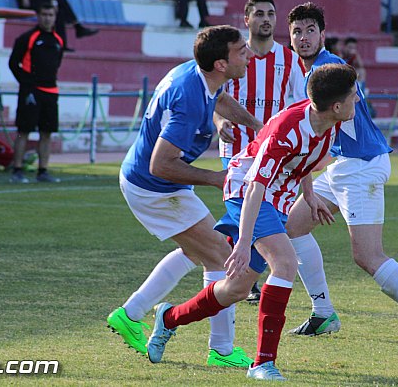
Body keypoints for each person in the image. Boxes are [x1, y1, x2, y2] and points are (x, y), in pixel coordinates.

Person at [145, 63, 359, 381]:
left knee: (235, 288)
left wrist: (310, 195)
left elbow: (304, 160)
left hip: (275, 198)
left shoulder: (329, 121)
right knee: (285, 263)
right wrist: (244, 242)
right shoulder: (288, 128)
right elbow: (255, 186)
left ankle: (170, 317)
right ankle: (262, 363)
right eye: (354, 96)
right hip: (247, 190)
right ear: (336, 105)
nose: (359, 100)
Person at [284, 2, 398, 344]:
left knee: (367, 255)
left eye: (310, 30)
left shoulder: (328, 69)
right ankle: (323, 313)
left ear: (323, 35)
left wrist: (301, 165)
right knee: (293, 227)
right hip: (344, 165)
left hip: (360, 165)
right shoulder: (312, 70)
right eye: (297, 32)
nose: (303, 37)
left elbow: (337, 120)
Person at [107, 25, 263, 368]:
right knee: (222, 254)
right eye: (241, 50)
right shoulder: (189, 99)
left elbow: (219, 98)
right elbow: (161, 164)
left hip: (149, 181)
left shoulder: (199, 75)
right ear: (221, 63)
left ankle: (130, 313)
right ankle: (221, 351)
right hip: (154, 186)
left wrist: (256, 126)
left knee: (200, 251)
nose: (248, 54)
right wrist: (216, 178)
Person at [214, 0, 306, 304]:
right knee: (243, 217)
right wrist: (218, 123)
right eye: (259, 14)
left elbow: (298, 106)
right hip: (238, 153)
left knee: (268, 219)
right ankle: (235, 274)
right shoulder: (235, 56)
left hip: (275, 157)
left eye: (270, 13)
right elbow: (217, 97)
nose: (265, 19)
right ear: (247, 19)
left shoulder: (290, 60)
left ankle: (241, 274)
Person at [8, 2, 64, 184]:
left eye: (51, 15)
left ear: (54, 17)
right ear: (38, 16)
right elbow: (13, 63)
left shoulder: (58, 40)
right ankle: (17, 169)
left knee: (46, 132)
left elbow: (57, 64)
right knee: (23, 130)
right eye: (44, 14)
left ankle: (43, 170)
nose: (47, 18)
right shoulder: (28, 38)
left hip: (51, 92)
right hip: (31, 92)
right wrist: (27, 84)